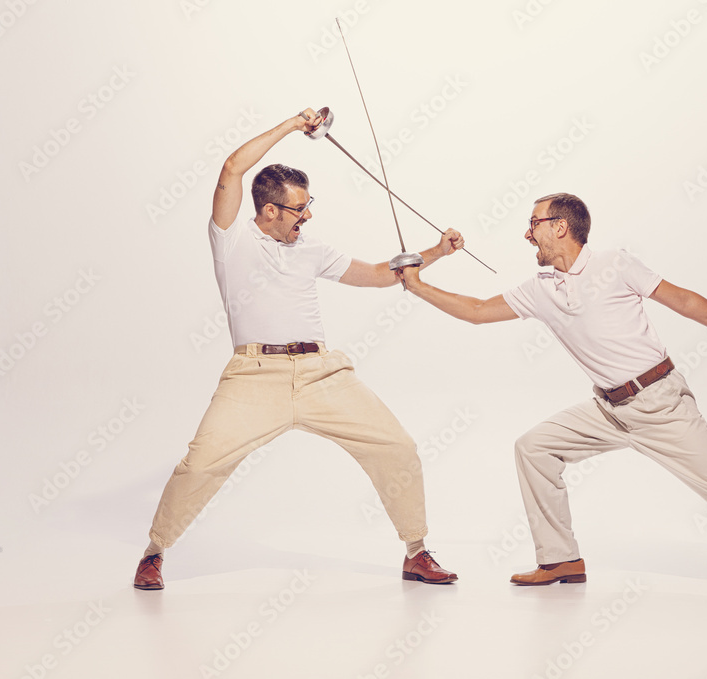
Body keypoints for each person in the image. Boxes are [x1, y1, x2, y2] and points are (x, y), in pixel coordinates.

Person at [395, 192, 707, 594]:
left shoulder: (615, 263)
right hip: (608, 408)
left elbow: (684, 300)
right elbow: (475, 311)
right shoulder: (540, 289)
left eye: (534, 224)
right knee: (534, 448)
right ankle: (560, 560)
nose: (527, 234)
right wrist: (417, 286)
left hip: (660, 403)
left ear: (561, 226)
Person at [133, 109, 461, 590]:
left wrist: (434, 253)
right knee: (200, 465)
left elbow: (375, 274)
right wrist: (291, 126)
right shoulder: (232, 239)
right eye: (298, 209)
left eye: (308, 206)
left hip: (321, 374)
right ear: (268, 210)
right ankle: (154, 552)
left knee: (398, 446)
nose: (307, 216)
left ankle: (417, 552)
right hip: (253, 376)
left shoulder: (312, 249)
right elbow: (231, 169)